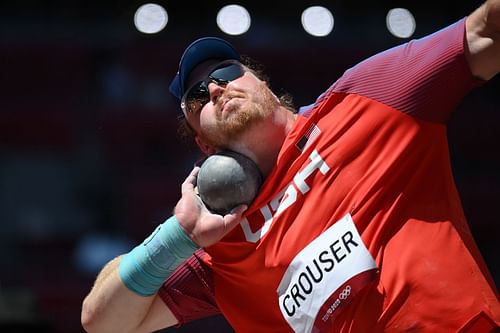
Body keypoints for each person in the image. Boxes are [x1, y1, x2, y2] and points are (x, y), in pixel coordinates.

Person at [81, 1, 500, 332]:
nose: (214, 88)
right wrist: (180, 237)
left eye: (227, 72)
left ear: (266, 86)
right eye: (196, 97)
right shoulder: (219, 244)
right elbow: (103, 322)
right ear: (204, 143)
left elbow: (484, 32)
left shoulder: (368, 99)